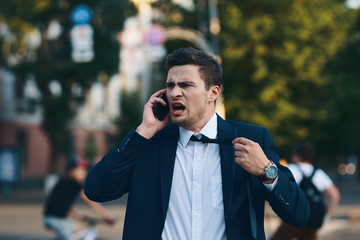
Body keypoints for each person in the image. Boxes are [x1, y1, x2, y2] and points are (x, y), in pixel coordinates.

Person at [84, 47, 310, 240]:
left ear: (213, 93)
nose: (175, 93)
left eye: (186, 85)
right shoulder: (148, 142)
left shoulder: (252, 139)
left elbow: (299, 215)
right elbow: (95, 190)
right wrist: (144, 131)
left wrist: (266, 171)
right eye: (170, 85)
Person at [270, 141, 340, 240]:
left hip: (292, 220)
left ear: (296, 155)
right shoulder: (318, 173)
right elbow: (334, 195)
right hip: (312, 223)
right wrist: (327, 215)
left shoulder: (290, 169)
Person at [43, 157, 115, 240]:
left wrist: (77, 214)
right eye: (80, 170)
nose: (84, 172)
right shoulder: (73, 183)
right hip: (57, 220)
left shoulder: (63, 182)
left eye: (84, 170)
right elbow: (89, 200)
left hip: (53, 218)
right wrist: (106, 215)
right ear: (71, 171)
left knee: (79, 230)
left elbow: (61, 202)